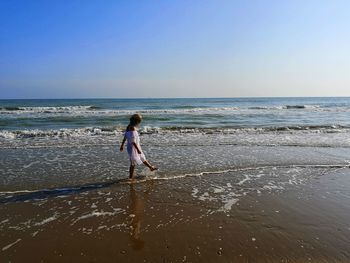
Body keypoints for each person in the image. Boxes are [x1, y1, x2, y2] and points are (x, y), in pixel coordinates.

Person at [120, 114, 157, 179]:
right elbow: (133, 141)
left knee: (141, 157)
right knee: (133, 162)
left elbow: (125, 136)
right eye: (139, 121)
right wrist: (137, 149)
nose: (139, 123)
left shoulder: (128, 126)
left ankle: (151, 167)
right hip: (133, 147)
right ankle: (130, 177)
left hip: (131, 146)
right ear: (136, 121)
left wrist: (122, 145)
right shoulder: (132, 128)